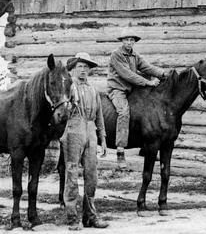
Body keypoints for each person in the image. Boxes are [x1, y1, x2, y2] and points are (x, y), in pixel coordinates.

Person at [106, 28, 167, 169]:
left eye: (131, 40)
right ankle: (120, 151)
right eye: (126, 39)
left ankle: (146, 148)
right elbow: (127, 74)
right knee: (123, 112)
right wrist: (148, 82)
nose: (129, 42)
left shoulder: (135, 55)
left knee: (148, 111)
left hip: (132, 90)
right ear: (122, 41)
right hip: (118, 90)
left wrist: (163, 74)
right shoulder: (116, 55)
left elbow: (147, 67)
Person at [61, 52, 108, 229]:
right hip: (74, 129)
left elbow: (99, 116)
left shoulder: (93, 90)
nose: (83, 70)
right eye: (80, 66)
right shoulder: (69, 88)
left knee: (92, 175)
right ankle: (73, 218)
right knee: (72, 173)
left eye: (86, 67)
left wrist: (102, 138)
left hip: (91, 131)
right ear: (73, 69)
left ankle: (90, 216)